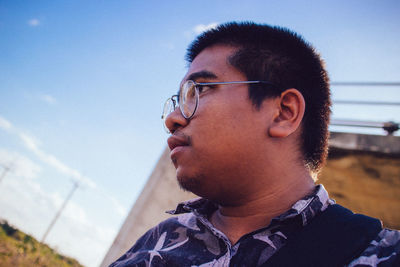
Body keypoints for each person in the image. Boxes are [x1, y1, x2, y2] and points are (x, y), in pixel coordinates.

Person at [110, 22, 400, 266]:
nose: (172, 119)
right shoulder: (158, 242)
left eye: (199, 90)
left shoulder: (380, 255)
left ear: (284, 113)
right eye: (178, 100)